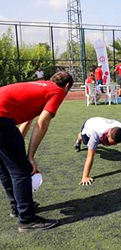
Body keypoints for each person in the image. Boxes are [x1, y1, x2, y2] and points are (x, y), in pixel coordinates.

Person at [0, 71, 73, 232]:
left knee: (5, 168)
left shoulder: (40, 85)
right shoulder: (57, 91)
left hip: (3, 118)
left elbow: (28, 118)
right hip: (1, 118)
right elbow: (43, 122)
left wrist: (15, 144)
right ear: (67, 86)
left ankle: (17, 207)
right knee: (21, 171)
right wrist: (30, 157)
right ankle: (27, 220)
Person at [73, 117, 121, 185]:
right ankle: (78, 139)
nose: (112, 145)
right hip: (90, 124)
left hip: (101, 124)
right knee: (85, 141)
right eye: (111, 142)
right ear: (107, 134)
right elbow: (90, 155)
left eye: (116, 143)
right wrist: (85, 176)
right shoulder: (96, 133)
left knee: (98, 143)